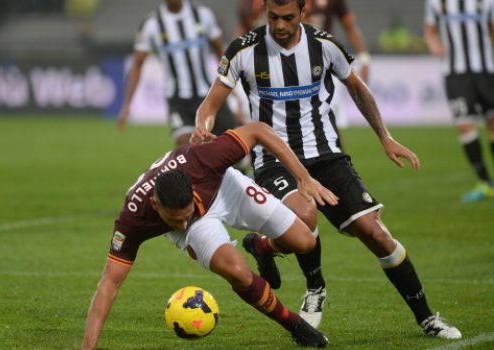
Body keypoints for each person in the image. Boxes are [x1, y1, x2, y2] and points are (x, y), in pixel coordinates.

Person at [191, 0, 462, 340]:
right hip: (274, 159)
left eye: (288, 18)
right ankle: (316, 288)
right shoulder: (243, 50)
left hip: (327, 155)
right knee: (303, 214)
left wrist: (385, 137)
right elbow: (211, 103)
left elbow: (358, 89)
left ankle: (427, 319)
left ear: (303, 12)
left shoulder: (325, 45)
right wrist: (203, 126)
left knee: (376, 233)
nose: (280, 26)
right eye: (273, 17)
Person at [80, 122, 338, 349]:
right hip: (199, 226)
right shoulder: (134, 217)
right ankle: (294, 325)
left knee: (305, 242)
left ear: (192, 192)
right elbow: (109, 283)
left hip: (226, 188)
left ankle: (262, 247)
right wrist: (87, 347)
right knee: (236, 270)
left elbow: (258, 130)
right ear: (156, 205)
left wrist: (303, 178)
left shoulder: (206, 159)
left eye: (184, 214)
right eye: (174, 219)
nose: (180, 223)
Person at [117, 0, 241, 146]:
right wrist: (127, 104)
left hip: (208, 95)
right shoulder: (152, 23)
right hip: (178, 100)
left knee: (231, 145)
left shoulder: (203, 15)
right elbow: (137, 64)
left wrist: (230, 86)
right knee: (185, 147)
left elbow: (221, 52)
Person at [424, 0, 494, 202]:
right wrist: (434, 44)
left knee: (492, 123)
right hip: (455, 74)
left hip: (487, 71)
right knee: (464, 125)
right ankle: (485, 182)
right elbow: (429, 30)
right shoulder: (437, 2)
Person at [303, 0, 370, 132]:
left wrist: (364, 59)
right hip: (288, 62)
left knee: (329, 119)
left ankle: (335, 151)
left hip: (323, 65)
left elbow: (349, 26)